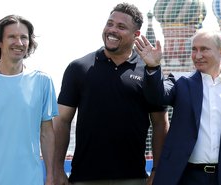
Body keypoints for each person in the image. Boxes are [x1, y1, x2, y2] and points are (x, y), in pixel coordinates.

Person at [53, 3, 169, 185]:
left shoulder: (149, 71)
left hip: (134, 178)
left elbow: (160, 124)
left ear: (136, 35)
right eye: (110, 24)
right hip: (84, 178)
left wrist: (157, 170)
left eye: (121, 27)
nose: (112, 30)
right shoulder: (78, 68)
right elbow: (62, 120)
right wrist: (57, 169)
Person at [134, 29, 221, 185]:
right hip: (185, 177)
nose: (197, 55)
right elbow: (157, 96)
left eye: (204, 49)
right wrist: (153, 68)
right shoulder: (180, 82)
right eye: (194, 49)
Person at [0, 15, 58, 185]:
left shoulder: (43, 82)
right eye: (12, 37)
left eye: (24, 37)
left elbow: (47, 132)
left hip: (30, 180)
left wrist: (50, 176)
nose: (19, 42)